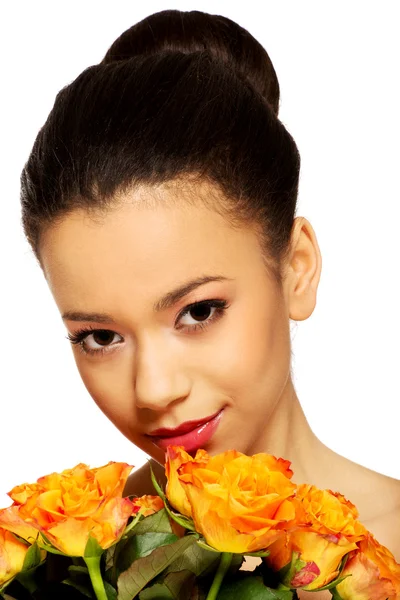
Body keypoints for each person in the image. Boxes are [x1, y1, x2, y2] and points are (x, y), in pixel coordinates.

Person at [19, 9, 400, 595]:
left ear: (296, 269)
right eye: (100, 336)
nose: (153, 389)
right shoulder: (47, 571)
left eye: (198, 312)